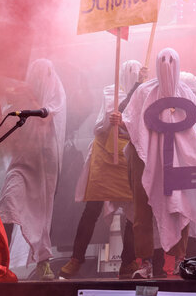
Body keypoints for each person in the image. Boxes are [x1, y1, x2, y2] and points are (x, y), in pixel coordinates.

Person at [122, 48, 196, 279]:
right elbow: (131, 122)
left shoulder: (186, 93)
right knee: (143, 209)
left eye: (171, 60)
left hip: (179, 158)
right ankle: (145, 262)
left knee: (181, 205)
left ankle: (180, 260)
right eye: (163, 60)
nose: (167, 64)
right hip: (146, 159)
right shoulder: (144, 91)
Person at [59, 60, 147, 279]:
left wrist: (139, 90)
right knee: (92, 209)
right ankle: (76, 259)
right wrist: (135, 87)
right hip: (105, 157)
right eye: (130, 73)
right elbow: (114, 114)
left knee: (132, 213)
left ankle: (127, 263)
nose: (132, 76)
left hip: (128, 156)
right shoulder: (112, 92)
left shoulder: (145, 95)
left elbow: (142, 124)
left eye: (135, 74)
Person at [0, 58, 67, 280]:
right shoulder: (20, 95)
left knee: (42, 216)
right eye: (37, 73)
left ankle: (43, 263)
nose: (41, 78)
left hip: (44, 168)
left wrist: (42, 110)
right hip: (21, 163)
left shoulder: (57, 94)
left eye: (45, 73)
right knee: (8, 203)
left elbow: (53, 110)